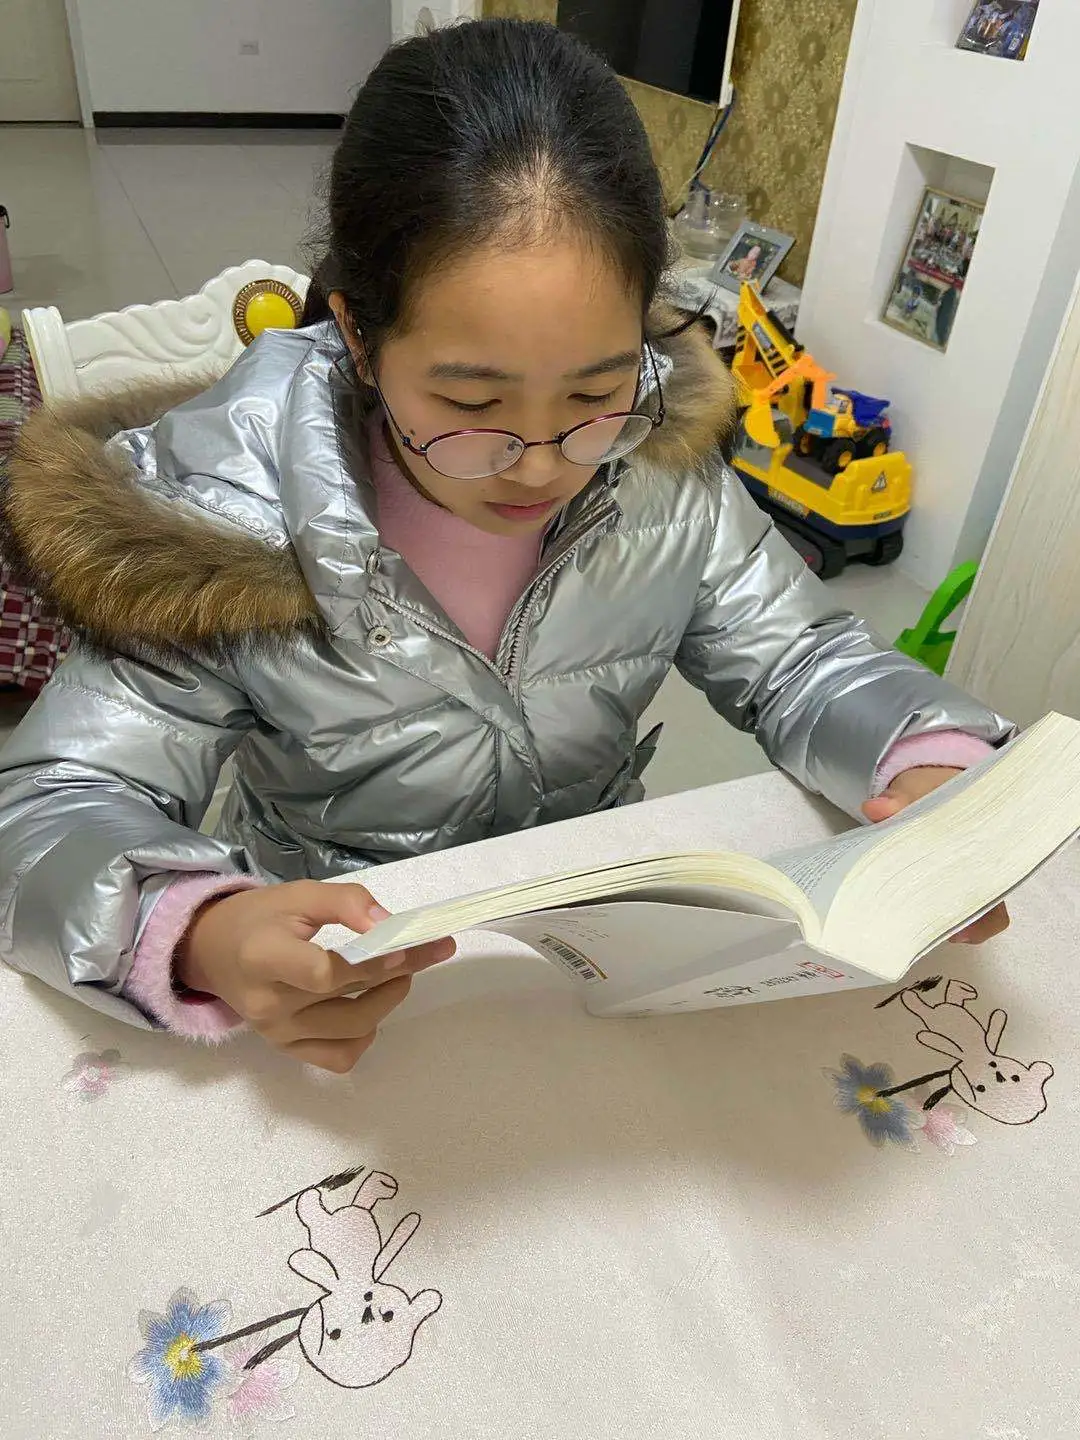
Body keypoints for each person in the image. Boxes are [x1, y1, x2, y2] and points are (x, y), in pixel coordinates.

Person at [0, 19, 1011, 1074]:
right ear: (358, 337)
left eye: (594, 391)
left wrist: (929, 764)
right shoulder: (219, 513)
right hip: (342, 964)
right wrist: (203, 932)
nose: (541, 464)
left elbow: (803, 660)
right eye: (472, 405)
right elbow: (49, 808)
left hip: (596, 948)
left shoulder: (657, 461)